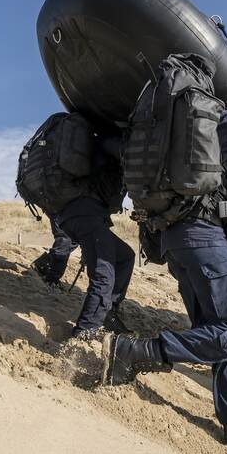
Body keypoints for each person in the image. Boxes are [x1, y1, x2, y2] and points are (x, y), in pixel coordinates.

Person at [101, 79, 227, 452]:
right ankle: (137, 351)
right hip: (203, 237)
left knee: (221, 332)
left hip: (175, 239)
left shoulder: (189, 129)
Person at [50, 134, 133, 341]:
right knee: (104, 276)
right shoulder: (107, 141)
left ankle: (108, 312)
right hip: (84, 213)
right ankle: (84, 333)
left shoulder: (104, 146)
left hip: (87, 215)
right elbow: (126, 152)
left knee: (125, 256)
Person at [32, 214, 78, 288]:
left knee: (73, 240)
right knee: (64, 240)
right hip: (58, 211)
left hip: (69, 212)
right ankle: (50, 278)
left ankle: (45, 268)